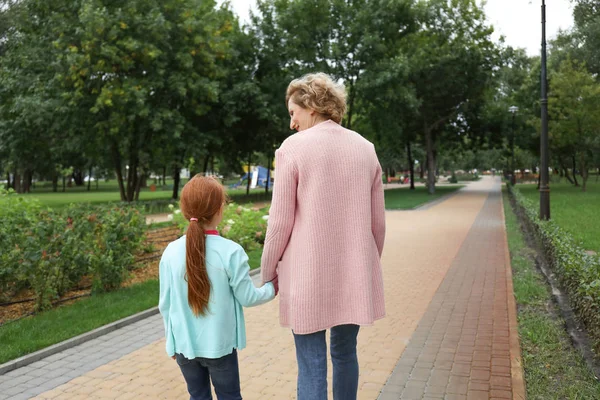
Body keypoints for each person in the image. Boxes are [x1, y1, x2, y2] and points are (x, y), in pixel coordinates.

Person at [261, 72, 386, 400]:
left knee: (312, 361)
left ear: (311, 106)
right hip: (354, 274)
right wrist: (366, 265)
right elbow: (378, 225)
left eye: (293, 113)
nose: (291, 123)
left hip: (306, 277)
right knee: (346, 353)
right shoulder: (366, 149)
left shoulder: (292, 149)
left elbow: (279, 224)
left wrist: (268, 271)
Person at [159, 175, 277, 400]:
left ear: (184, 209)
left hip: (184, 346)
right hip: (220, 347)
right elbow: (248, 297)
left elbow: (165, 305)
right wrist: (272, 287)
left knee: (198, 396)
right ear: (220, 209)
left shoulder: (170, 252)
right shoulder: (231, 252)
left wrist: (171, 343)